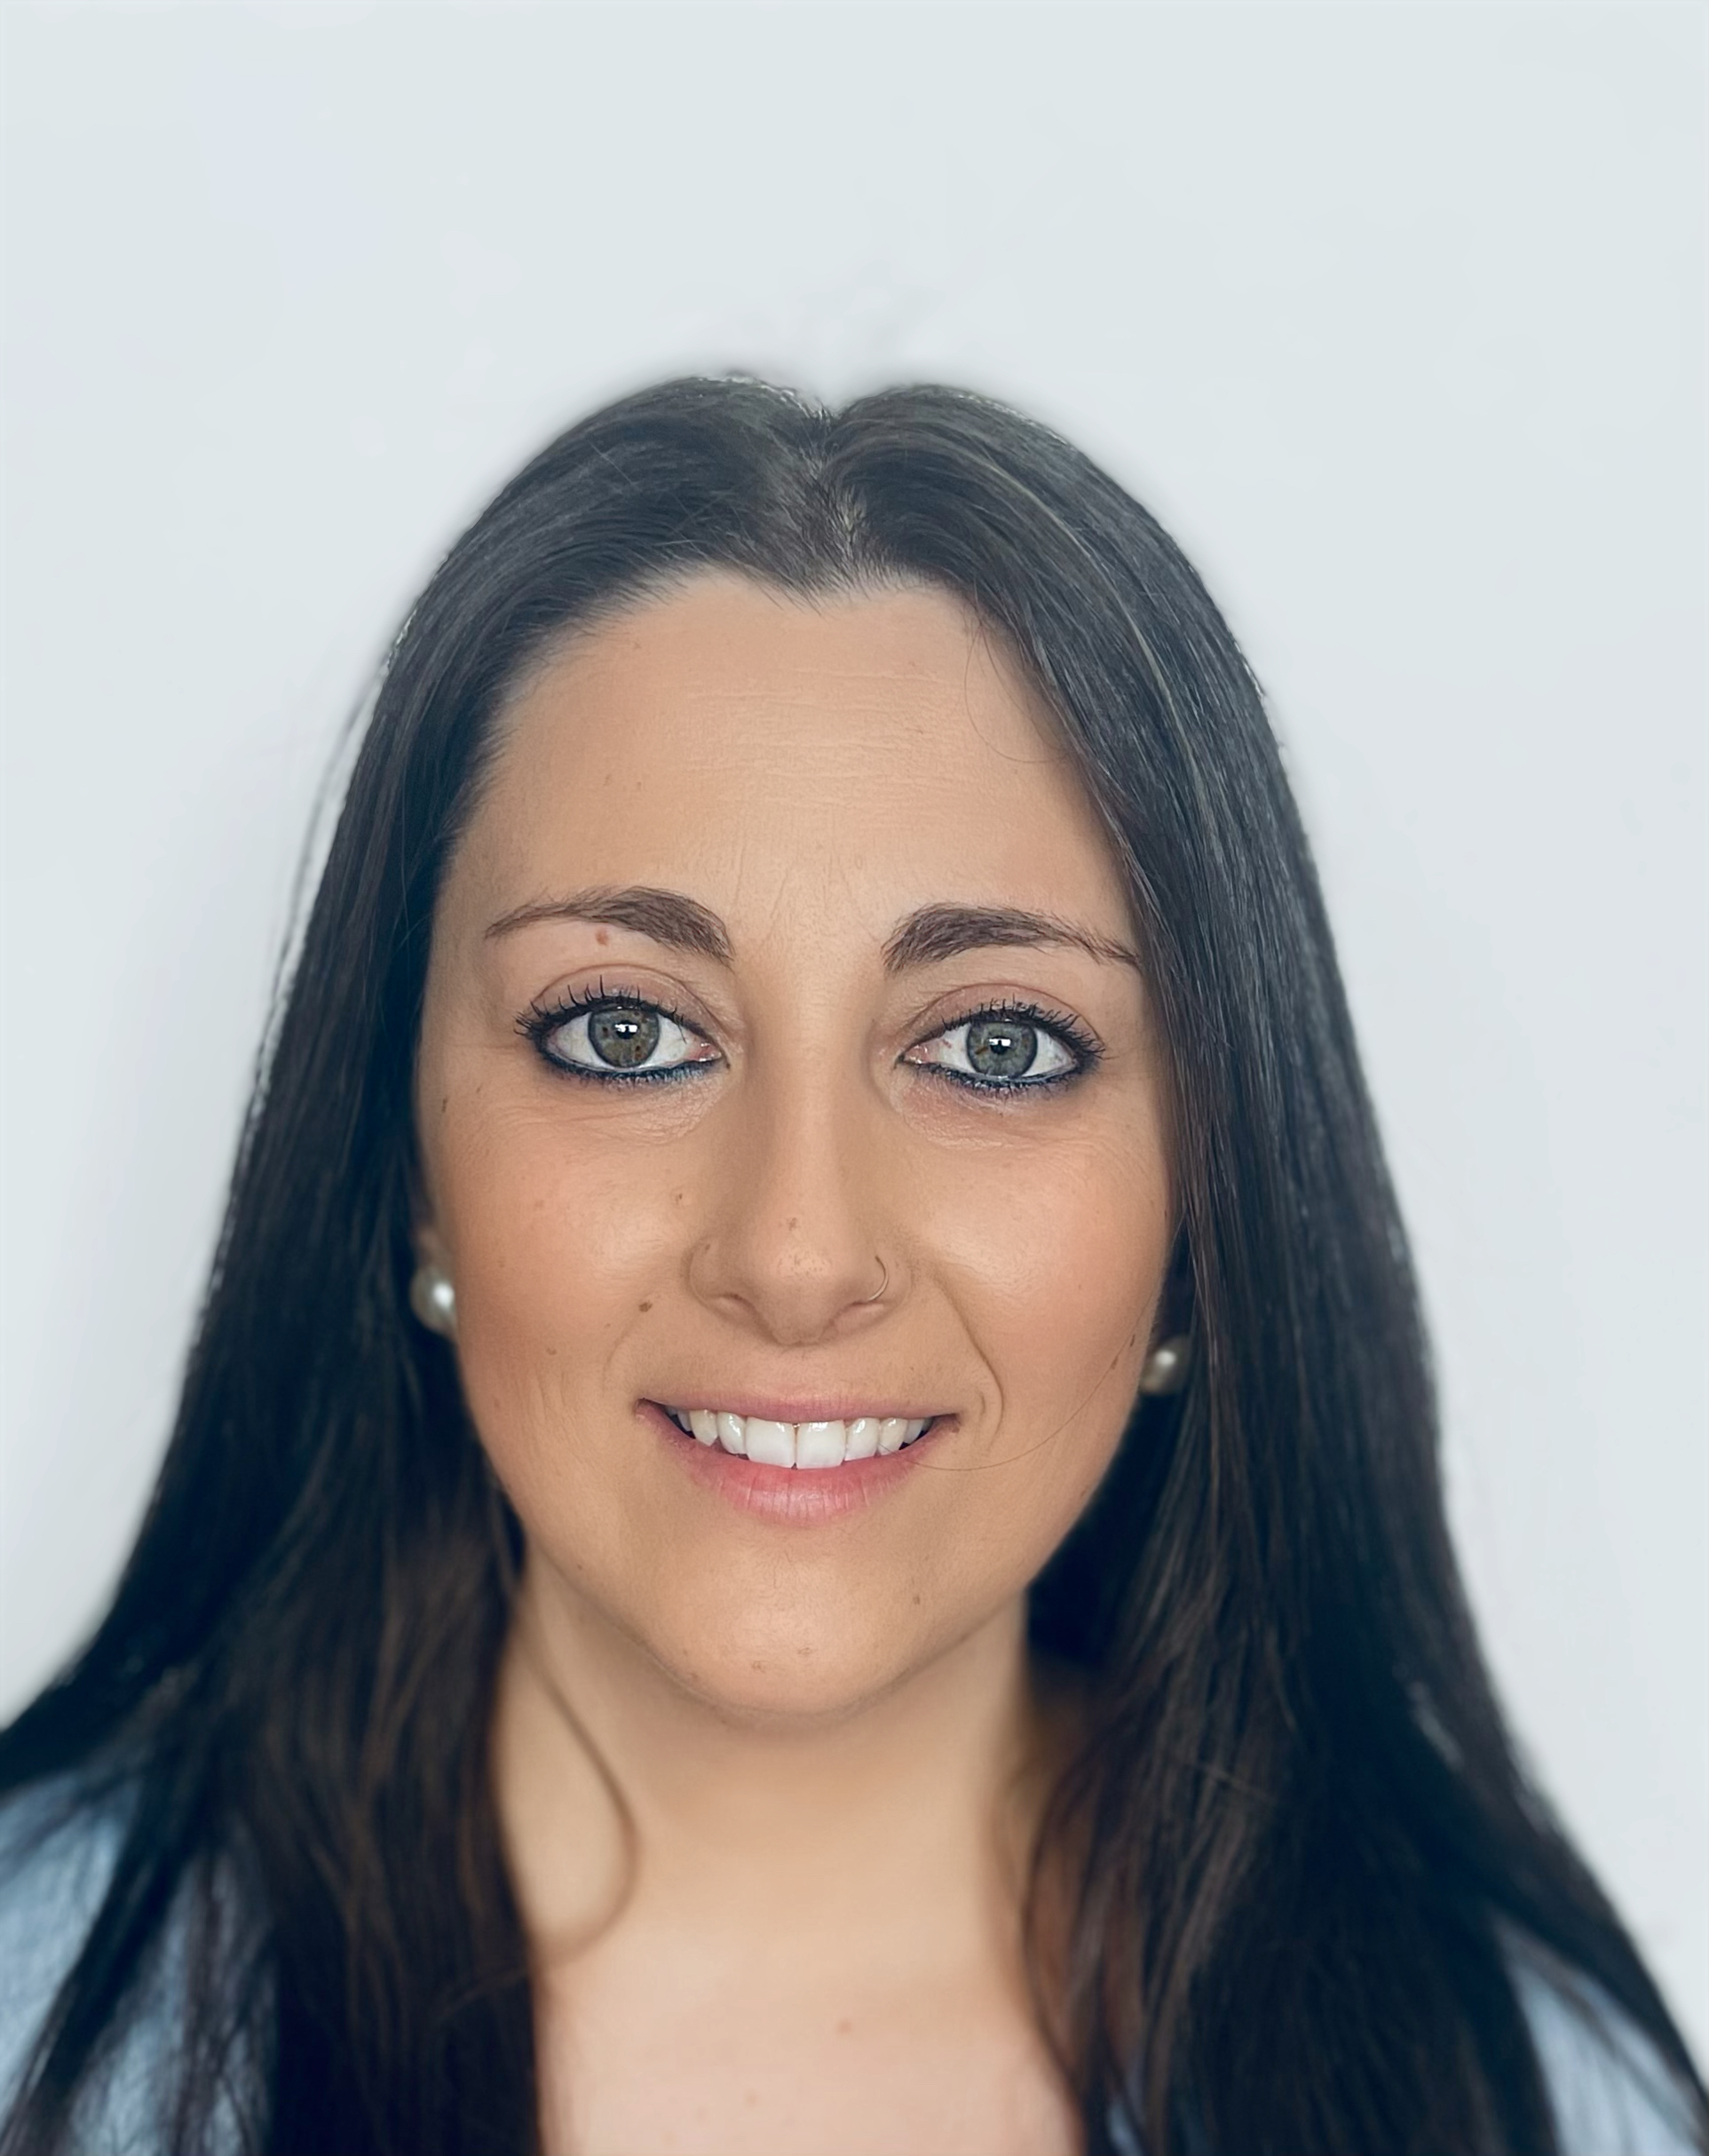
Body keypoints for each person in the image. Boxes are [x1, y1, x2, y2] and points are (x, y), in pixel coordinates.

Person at [0, 377, 1703, 2156]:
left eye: (996, 1048)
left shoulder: (1532, 2101)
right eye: (625, 1032)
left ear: (1207, 1212)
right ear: (406, 1170)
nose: (798, 1254)